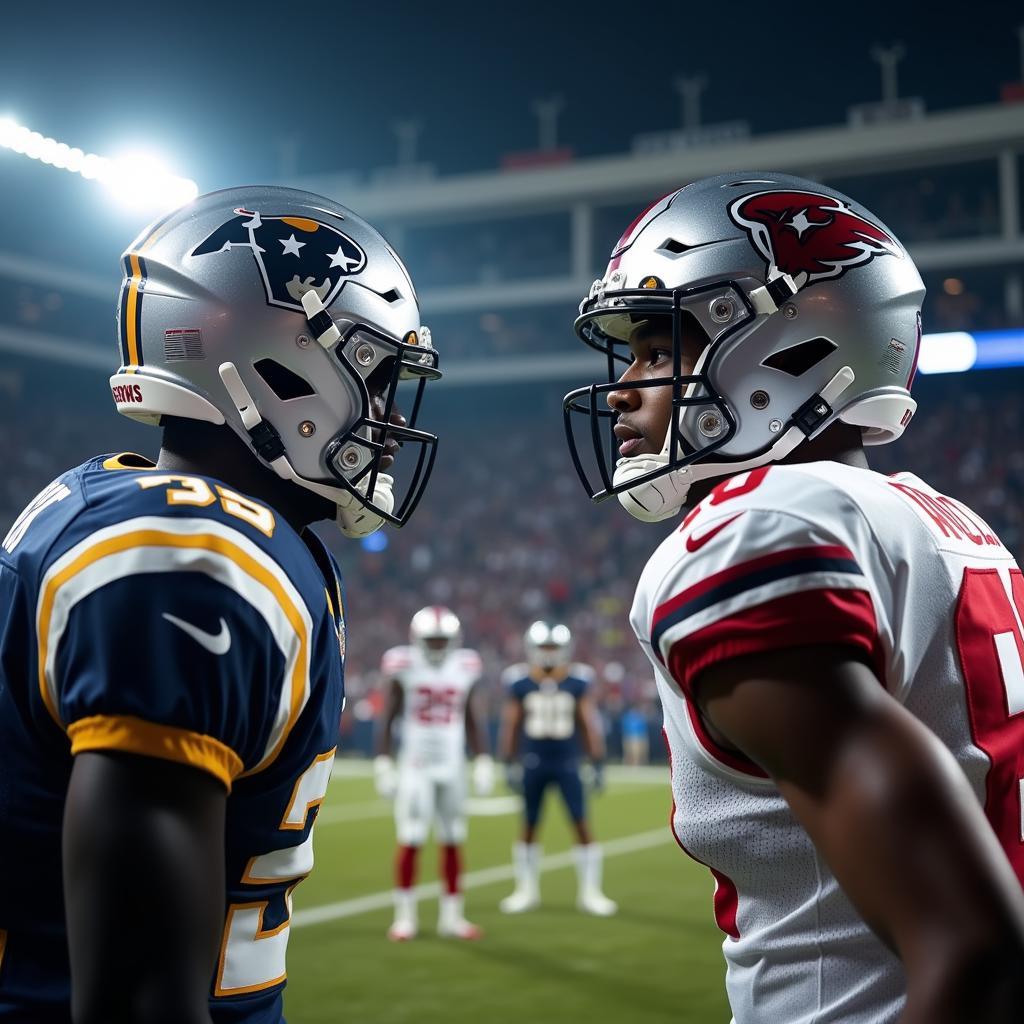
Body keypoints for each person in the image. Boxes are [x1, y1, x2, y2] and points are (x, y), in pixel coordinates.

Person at [561, 171, 1024, 1023]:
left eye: (660, 350)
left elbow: (972, 947)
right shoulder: (948, 522)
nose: (625, 386)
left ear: (784, 346)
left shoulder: (755, 528)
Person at [0, 186, 441, 1023]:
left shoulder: (143, 512)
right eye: (372, 374)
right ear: (278, 362)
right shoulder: (188, 553)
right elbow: (138, 1002)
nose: (386, 416)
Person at [374, 605, 494, 941]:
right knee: (411, 836)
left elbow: (471, 715)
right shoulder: (404, 665)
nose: (439, 646)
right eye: (433, 640)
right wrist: (384, 763)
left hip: (453, 763)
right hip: (416, 764)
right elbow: (388, 717)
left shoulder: (466, 666)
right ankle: (405, 917)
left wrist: (482, 758)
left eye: (443, 640)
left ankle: (452, 917)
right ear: (417, 638)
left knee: (454, 837)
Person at [498, 621, 617, 916]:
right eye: (543, 647)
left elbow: (587, 721)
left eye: (553, 647)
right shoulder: (519, 680)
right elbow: (511, 723)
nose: (548, 653)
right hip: (533, 760)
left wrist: (597, 760)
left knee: (581, 823)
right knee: (528, 824)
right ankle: (526, 890)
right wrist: (508, 760)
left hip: (567, 760)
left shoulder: (577, 680)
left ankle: (590, 892)